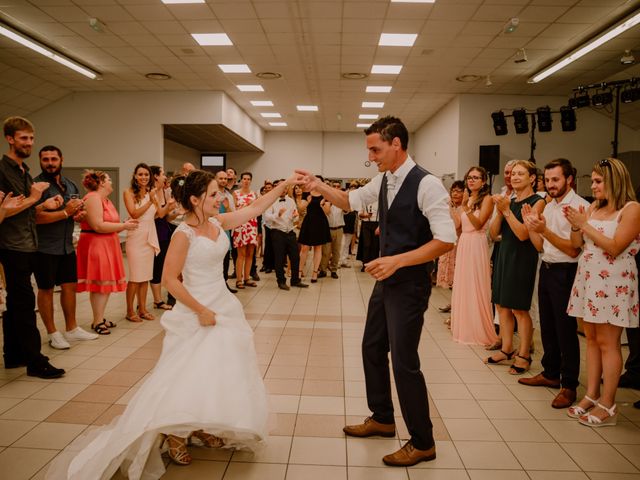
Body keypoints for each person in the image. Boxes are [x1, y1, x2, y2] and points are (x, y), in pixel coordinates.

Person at [46, 170, 303, 479]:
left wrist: (285, 186)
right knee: (188, 372)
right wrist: (200, 310)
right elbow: (169, 279)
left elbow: (255, 209)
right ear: (195, 200)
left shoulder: (218, 223)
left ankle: (201, 423)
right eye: (212, 194)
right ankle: (176, 432)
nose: (219, 197)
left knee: (219, 369)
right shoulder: (184, 234)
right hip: (196, 308)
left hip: (223, 305)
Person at [296, 116, 456, 467]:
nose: (370, 156)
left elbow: (446, 239)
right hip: (388, 282)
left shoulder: (427, 184)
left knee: (404, 362)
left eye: (376, 149)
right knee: (371, 347)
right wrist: (319, 186)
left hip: (410, 284)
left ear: (396, 144)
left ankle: (423, 441)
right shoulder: (384, 179)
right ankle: (382, 417)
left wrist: (397, 261)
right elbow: (348, 200)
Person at [564, 157, 640, 427]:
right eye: (593, 181)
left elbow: (616, 246)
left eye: (598, 181)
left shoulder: (631, 209)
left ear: (614, 181)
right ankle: (592, 395)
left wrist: (584, 225)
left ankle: (609, 404)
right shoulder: (595, 207)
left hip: (614, 281)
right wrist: (576, 225)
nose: (593, 186)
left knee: (609, 343)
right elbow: (577, 245)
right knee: (592, 339)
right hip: (589, 278)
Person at [520, 158, 590, 409]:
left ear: (569, 179)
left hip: (567, 272)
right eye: (547, 180)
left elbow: (573, 251)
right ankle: (550, 372)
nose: (550, 184)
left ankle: (569, 384)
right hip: (547, 268)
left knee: (565, 330)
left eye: (555, 179)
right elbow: (541, 247)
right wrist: (531, 228)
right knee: (546, 325)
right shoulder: (549, 207)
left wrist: (544, 231)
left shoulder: (579, 207)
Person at [0, 116, 65, 379]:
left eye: (31, 138)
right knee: (25, 302)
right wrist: (36, 197)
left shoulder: (23, 170)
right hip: (11, 243)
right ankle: (36, 361)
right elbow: (6, 209)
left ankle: (12, 354)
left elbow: (23, 206)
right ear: (10, 139)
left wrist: (42, 205)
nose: (29, 143)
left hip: (27, 242)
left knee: (16, 303)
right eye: (23, 138)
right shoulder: (3, 171)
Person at [34, 145, 98, 350]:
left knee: (70, 286)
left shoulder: (70, 185)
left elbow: (75, 211)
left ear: (62, 160)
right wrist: (65, 213)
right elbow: (34, 218)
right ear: (40, 161)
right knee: (46, 289)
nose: (50, 163)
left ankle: (72, 328)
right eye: (46, 159)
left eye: (54, 159)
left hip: (67, 246)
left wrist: (78, 215)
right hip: (44, 247)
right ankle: (53, 333)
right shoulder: (36, 186)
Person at [487, 160, 545, 374]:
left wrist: (508, 212)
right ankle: (507, 348)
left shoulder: (538, 201)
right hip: (504, 254)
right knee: (502, 304)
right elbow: (493, 234)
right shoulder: (508, 201)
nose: (515, 177)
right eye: (513, 174)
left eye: (521, 174)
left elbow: (523, 234)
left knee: (519, 308)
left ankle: (524, 354)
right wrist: (500, 210)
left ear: (532, 178)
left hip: (522, 256)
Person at [77, 170, 138, 335]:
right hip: (96, 243)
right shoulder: (93, 198)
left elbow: (109, 223)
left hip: (108, 243)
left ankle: (100, 317)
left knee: (104, 284)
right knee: (100, 284)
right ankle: (97, 321)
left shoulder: (105, 200)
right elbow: (98, 226)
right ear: (102, 182)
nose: (111, 182)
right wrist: (124, 226)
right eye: (109, 179)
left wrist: (123, 224)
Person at [450, 168, 499, 346]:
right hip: (464, 242)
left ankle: (479, 328)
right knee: (463, 284)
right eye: (469, 177)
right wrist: (453, 208)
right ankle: (464, 326)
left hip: (477, 243)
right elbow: (459, 227)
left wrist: (465, 207)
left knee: (476, 284)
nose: (471, 181)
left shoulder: (487, 199)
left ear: (484, 181)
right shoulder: (467, 198)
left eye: (476, 178)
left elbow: (478, 225)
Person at [124, 163, 160, 322]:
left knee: (145, 276)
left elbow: (158, 214)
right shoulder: (129, 192)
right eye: (140, 174)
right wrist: (150, 201)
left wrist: (170, 204)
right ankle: (130, 310)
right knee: (135, 277)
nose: (144, 177)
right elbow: (134, 213)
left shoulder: (152, 193)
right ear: (135, 176)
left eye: (146, 174)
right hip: (136, 235)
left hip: (149, 235)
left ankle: (143, 309)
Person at [263, 180, 309, 290]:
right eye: (281, 188)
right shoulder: (271, 201)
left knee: (295, 257)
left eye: (284, 188)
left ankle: (295, 280)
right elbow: (267, 217)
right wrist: (277, 215)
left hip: (290, 231)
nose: (283, 190)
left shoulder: (291, 201)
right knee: (279, 258)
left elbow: (295, 216)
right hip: (277, 232)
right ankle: (281, 281)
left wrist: (295, 216)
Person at [149, 165, 176, 310]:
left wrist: (175, 212)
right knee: (156, 266)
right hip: (154, 233)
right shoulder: (150, 194)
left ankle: (159, 298)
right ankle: (157, 300)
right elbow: (156, 215)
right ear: (156, 177)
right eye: (163, 174)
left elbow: (166, 217)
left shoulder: (165, 193)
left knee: (164, 265)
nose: (165, 176)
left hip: (165, 232)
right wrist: (167, 208)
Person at [436, 180, 464, 314]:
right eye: (453, 190)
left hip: (460, 246)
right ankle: (453, 304)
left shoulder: (463, 207)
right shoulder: (450, 205)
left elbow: (457, 224)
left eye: (459, 191)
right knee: (451, 280)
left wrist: (450, 208)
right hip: (448, 244)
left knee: (458, 279)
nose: (455, 193)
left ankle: (457, 308)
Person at [298, 175, 332, 282]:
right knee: (304, 248)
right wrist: (307, 202)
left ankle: (315, 273)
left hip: (320, 222)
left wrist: (323, 205)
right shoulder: (306, 193)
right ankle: (299, 271)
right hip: (309, 222)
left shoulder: (326, 195)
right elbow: (300, 209)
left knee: (318, 248)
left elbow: (328, 212)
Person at [232, 172, 259, 289]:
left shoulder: (254, 194)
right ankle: (239, 279)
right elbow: (233, 210)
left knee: (250, 254)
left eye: (248, 179)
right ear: (241, 180)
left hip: (252, 225)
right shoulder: (235, 193)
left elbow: (258, 210)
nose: (246, 181)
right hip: (240, 225)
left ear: (251, 181)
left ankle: (247, 278)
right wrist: (245, 206)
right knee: (241, 254)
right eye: (244, 179)